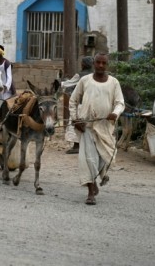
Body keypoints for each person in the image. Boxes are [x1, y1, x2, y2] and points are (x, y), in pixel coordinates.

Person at [69, 53, 124, 205]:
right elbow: (73, 100)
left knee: (106, 158)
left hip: (106, 128)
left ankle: (97, 179)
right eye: (98, 62)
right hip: (86, 127)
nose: (100, 65)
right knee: (89, 160)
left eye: (103, 63)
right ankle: (90, 191)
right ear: (94, 63)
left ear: (107, 65)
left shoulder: (114, 83)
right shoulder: (84, 80)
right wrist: (75, 119)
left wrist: (115, 113)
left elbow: (120, 103)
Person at [64, 56, 94, 154]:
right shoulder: (95, 75)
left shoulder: (80, 75)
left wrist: (59, 83)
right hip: (93, 104)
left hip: (82, 104)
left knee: (75, 122)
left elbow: (68, 84)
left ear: (83, 64)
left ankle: (77, 146)